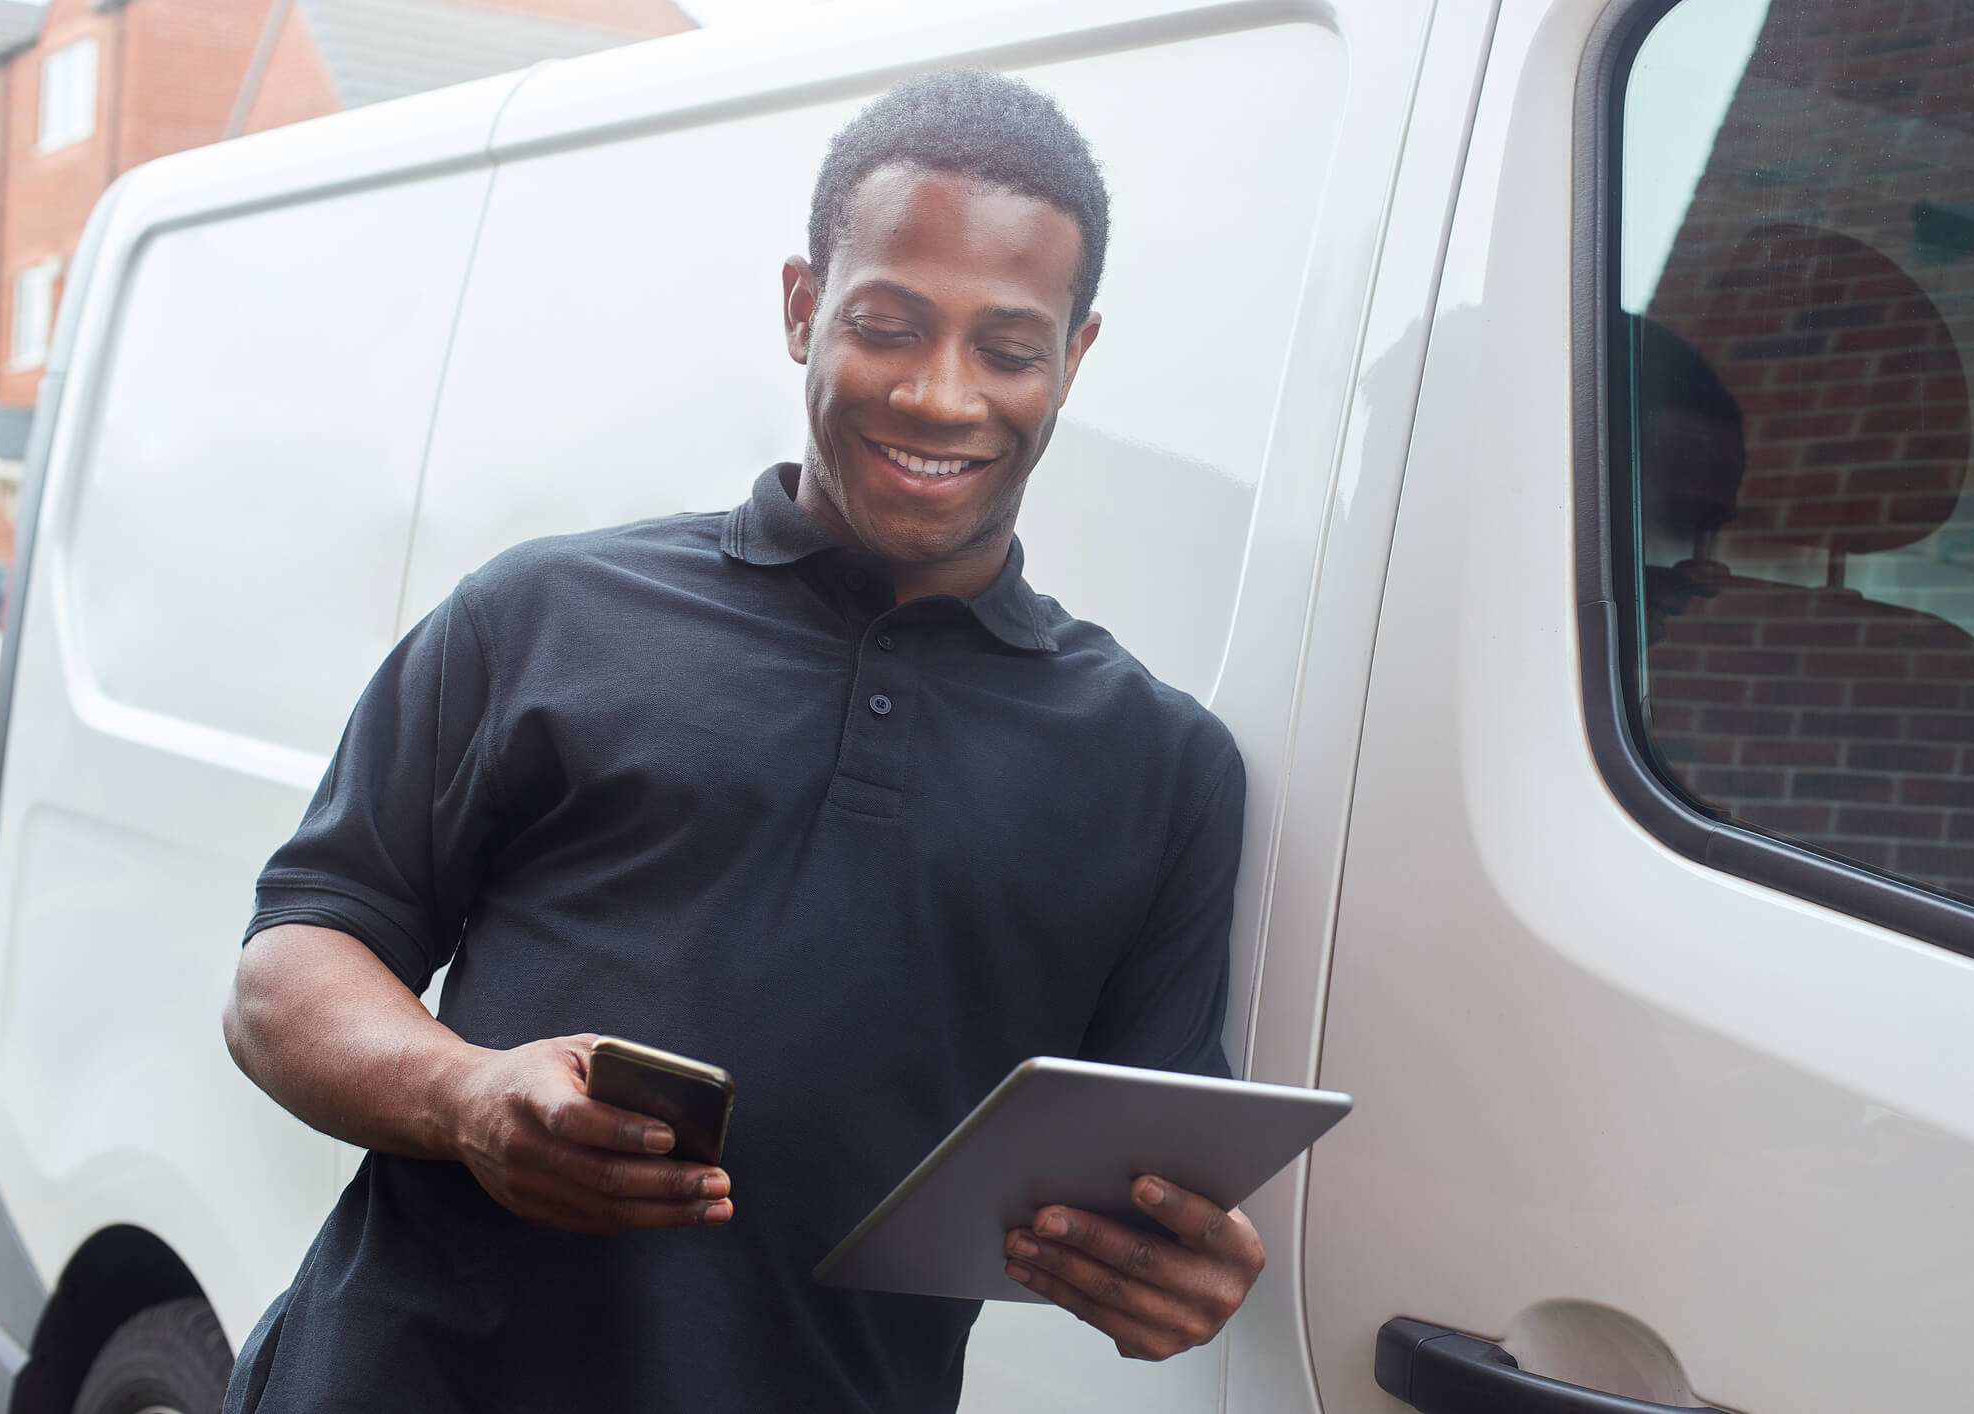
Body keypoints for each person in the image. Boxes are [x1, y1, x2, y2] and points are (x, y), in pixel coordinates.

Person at [220, 68, 1265, 1411]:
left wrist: (1176, 1281)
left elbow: (1154, 1187)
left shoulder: (1163, 768)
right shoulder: (543, 613)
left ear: (1076, 354)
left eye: (1007, 348)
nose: (943, 398)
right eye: (887, 325)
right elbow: (285, 974)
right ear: (799, 309)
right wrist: (469, 1097)